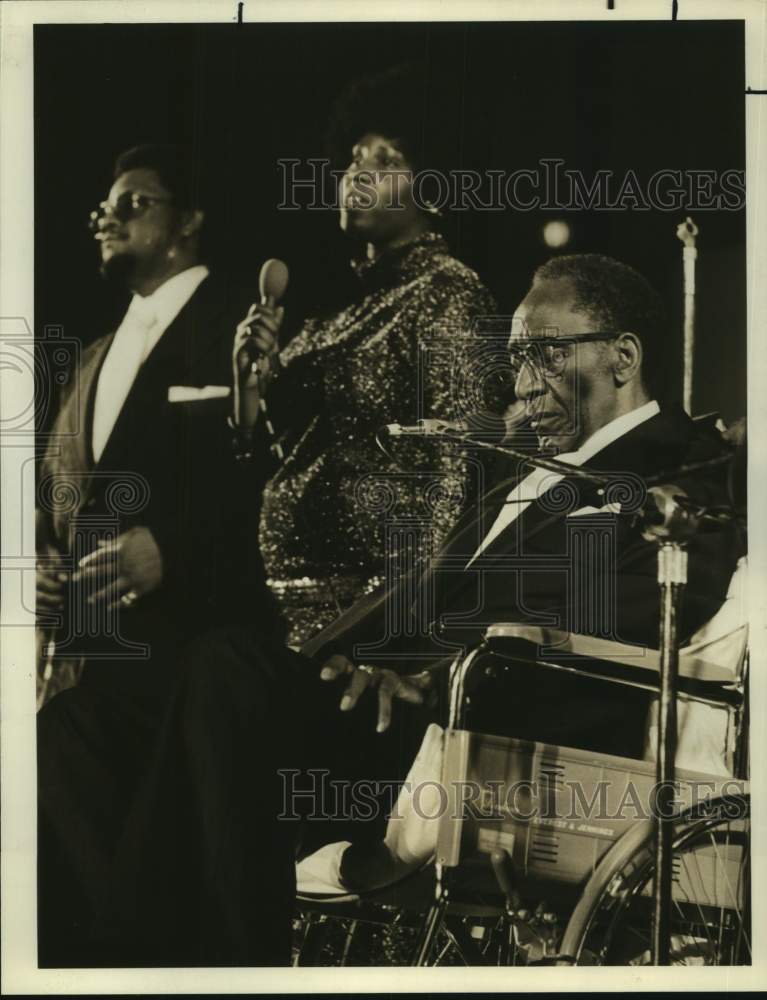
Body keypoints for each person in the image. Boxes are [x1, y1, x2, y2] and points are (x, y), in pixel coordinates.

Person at [76, 253, 741, 967]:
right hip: (376, 709)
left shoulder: (683, 472)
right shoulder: (525, 471)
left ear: (623, 357)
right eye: (516, 359)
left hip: (475, 737)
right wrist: (328, 659)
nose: (522, 384)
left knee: (226, 673)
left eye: (545, 354)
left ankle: (216, 969)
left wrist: (434, 679)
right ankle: (116, 963)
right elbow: (421, 593)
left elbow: (628, 619)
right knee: (82, 725)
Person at [36, 144, 285, 966]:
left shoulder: (242, 323)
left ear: (189, 220)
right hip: (95, 665)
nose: (107, 216)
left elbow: (275, 480)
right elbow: (64, 496)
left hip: (197, 655)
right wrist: (46, 565)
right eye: (103, 206)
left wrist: (173, 550)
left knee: (190, 879)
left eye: (134, 201)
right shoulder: (94, 355)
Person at [232, 64, 498, 647]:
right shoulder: (338, 309)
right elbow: (273, 456)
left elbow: (457, 473)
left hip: (365, 620)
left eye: (386, 160)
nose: (358, 173)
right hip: (284, 608)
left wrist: (403, 631)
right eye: (354, 158)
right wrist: (249, 385)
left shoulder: (448, 293)